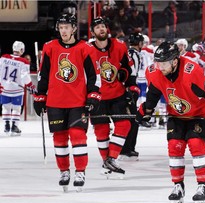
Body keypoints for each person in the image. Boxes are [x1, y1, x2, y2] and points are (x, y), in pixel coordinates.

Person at [136, 41, 205, 203]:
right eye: (158, 62)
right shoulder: (154, 72)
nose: (160, 67)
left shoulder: (192, 71)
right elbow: (153, 94)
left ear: (175, 61)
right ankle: (178, 186)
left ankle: (202, 186)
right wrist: (145, 110)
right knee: (174, 146)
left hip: (199, 114)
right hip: (176, 115)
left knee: (196, 144)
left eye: (164, 63)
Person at [33, 13, 101, 192]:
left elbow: (94, 75)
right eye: (61, 27)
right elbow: (44, 74)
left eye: (66, 27)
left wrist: (93, 95)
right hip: (55, 101)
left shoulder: (85, 48)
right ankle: (64, 171)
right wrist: (40, 95)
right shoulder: (50, 47)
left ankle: (80, 171)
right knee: (59, 139)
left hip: (77, 102)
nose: (63, 30)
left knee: (78, 136)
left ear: (74, 29)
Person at [89, 17, 140, 179]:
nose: (101, 29)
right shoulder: (86, 49)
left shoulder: (119, 45)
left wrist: (131, 85)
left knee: (124, 124)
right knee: (101, 130)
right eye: (97, 27)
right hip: (97, 96)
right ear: (93, 32)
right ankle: (107, 161)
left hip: (117, 94)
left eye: (103, 26)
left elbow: (127, 67)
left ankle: (111, 159)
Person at [0, 41, 36, 136]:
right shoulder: (24, 61)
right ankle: (14, 126)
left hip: (5, 88)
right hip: (17, 89)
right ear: (21, 50)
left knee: (5, 107)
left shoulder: (4, 57)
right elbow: (24, 76)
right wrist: (30, 85)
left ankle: (6, 126)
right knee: (16, 108)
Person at [120, 32, 144, 159]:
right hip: (130, 89)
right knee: (133, 119)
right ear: (140, 43)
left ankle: (125, 147)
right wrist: (132, 89)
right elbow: (132, 73)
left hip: (123, 89)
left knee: (127, 118)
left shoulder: (127, 52)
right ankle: (127, 148)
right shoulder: (134, 54)